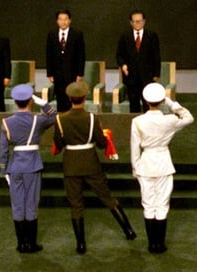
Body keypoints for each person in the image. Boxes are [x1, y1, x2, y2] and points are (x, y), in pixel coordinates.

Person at [53, 82, 137, 254]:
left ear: (69, 99)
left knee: (76, 205)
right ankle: (128, 230)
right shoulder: (92, 118)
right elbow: (100, 143)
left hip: (71, 166)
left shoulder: (60, 120)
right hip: (91, 163)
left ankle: (81, 244)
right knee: (108, 198)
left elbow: (59, 143)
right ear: (84, 98)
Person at [131, 83, 194, 253]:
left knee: (148, 204)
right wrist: (171, 102)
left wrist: (135, 168)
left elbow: (134, 147)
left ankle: (152, 244)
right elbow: (188, 117)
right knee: (162, 204)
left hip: (145, 164)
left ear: (145, 101)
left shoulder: (137, 121)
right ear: (160, 101)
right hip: (163, 164)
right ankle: (160, 243)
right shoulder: (170, 120)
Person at [0, 84, 56, 253]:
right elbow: (54, 116)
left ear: (15, 102)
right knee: (31, 204)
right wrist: (43, 103)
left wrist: (4, 170)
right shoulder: (37, 120)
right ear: (30, 101)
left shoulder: (7, 122)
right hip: (32, 165)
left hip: (15, 167)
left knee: (17, 205)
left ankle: (20, 243)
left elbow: (3, 149)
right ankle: (31, 243)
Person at [116, 10, 162, 113]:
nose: (138, 23)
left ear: (144, 21)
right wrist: (123, 65)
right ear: (131, 22)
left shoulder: (151, 35)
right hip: (131, 76)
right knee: (133, 104)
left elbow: (156, 56)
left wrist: (156, 74)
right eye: (135, 21)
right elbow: (119, 55)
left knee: (147, 103)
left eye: (140, 21)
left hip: (147, 76)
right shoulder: (125, 36)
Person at [46, 10, 85, 112]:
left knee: (71, 99)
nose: (63, 22)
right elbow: (49, 54)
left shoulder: (77, 34)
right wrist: (49, 73)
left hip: (72, 74)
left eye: (65, 19)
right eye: (61, 19)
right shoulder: (52, 34)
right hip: (57, 74)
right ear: (57, 21)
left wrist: (80, 74)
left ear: (70, 21)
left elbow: (81, 55)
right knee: (60, 99)